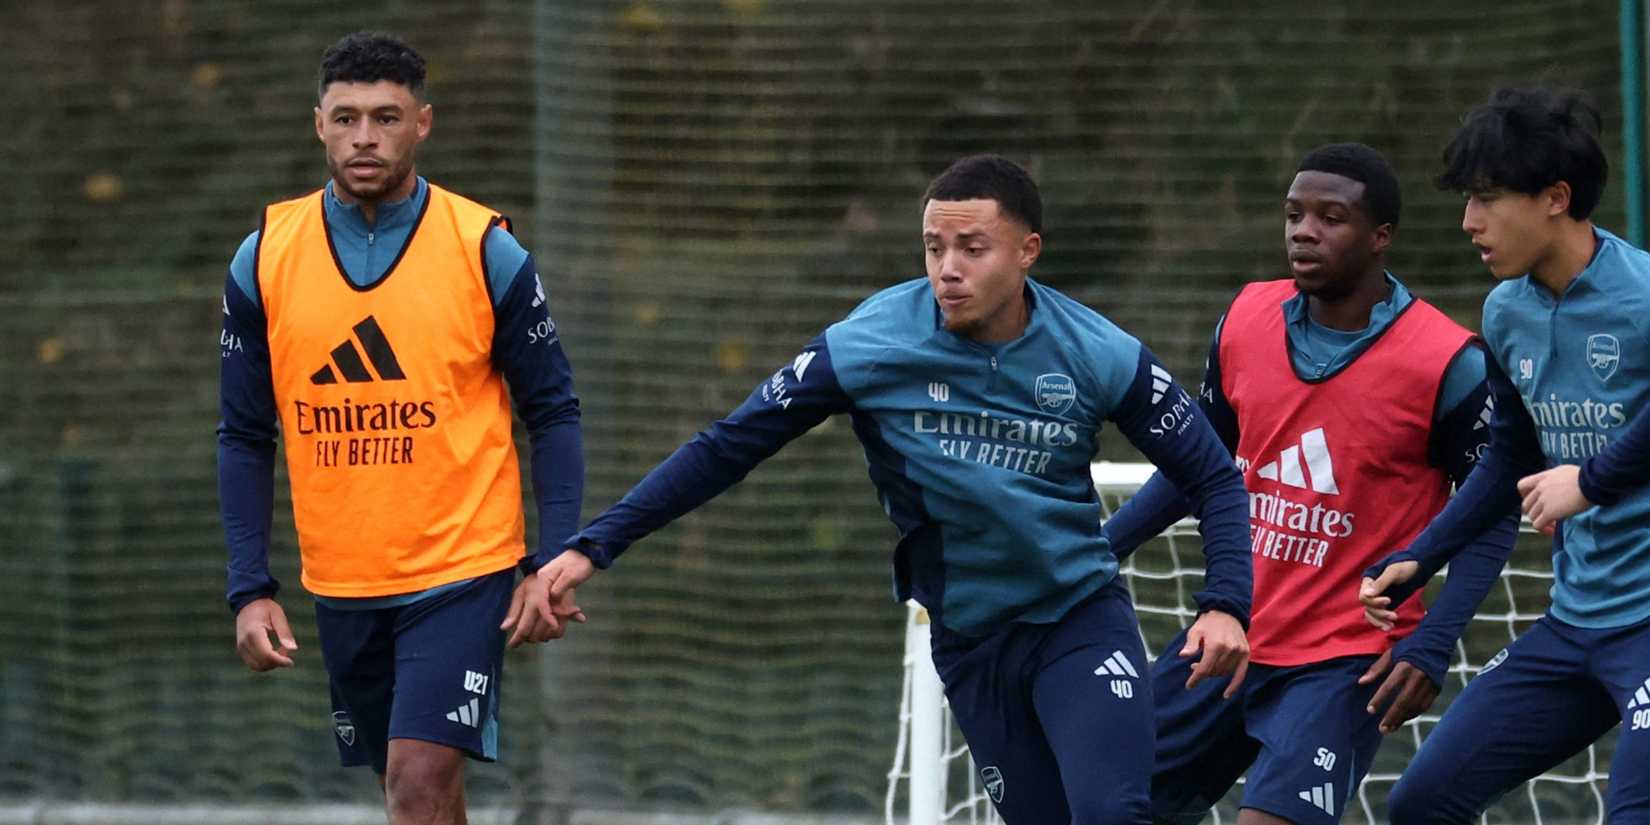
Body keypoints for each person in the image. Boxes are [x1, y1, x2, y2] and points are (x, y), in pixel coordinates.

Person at [531, 154, 1253, 824]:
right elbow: (727, 446)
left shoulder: (1099, 352)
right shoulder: (869, 343)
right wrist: (596, 544)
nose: (948, 269)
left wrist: (1224, 602)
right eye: (934, 248)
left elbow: (1213, 474)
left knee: (1110, 815)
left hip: (1078, 618)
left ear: (1028, 251)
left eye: (973, 248)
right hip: (971, 640)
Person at [216, 31, 585, 825]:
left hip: (463, 568)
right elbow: (244, 433)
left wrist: (551, 559)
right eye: (346, 117)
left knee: (414, 781)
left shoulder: (484, 249)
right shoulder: (264, 258)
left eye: (385, 117)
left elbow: (553, 411)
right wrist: (250, 587)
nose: (364, 137)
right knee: (419, 789)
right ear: (318, 123)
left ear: (423, 122)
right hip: (343, 580)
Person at [1098, 143, 1518, 825]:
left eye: (1331, 217)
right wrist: (1099, 550)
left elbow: (1492, 511)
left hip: (1344, 660)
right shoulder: (1246, 319)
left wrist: (1436, 639)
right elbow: (1198, 462)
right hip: (1231, 632)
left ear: (1380, 236)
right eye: (1295, 214)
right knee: (1099, 803)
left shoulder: (1447, 363)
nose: (1304, 231)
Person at [1359, 86, 1650, 825]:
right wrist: (1421, 555)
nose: (1469, 221)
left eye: (1487, 198)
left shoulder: (1642, 298)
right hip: (1575, 621)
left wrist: (1590, 480)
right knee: (1421, 802)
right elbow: (1508, 456)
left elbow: (1584, 476)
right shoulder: (1506, 311)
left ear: (1556, 198)